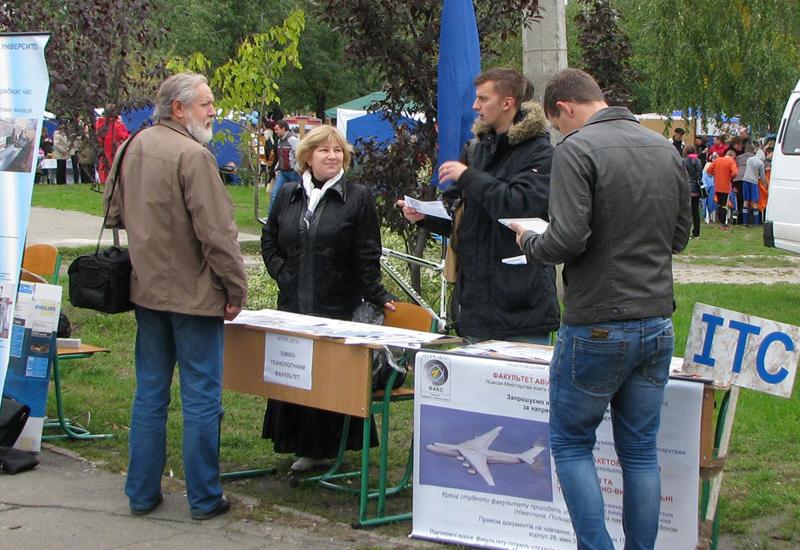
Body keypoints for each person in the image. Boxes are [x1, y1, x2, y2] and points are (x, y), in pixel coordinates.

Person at [510, 68, 690, 550]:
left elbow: (568, 238)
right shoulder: (665, 148)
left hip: (597, 324)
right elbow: (679, 238)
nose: (558, 134)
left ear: (565, 109)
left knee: (571, 445)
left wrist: (530, 240)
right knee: (639, 453)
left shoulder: (577, 148)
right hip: (655, 320)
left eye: (556, 125)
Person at [105, 73, 247, 520]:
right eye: (205, 104)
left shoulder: (133, 145)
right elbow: (218, 234)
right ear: (179, 108)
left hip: (148, 289)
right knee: (201, 397)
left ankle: (141, 493)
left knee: (150, 393)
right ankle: (204, 497)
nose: (212, 112)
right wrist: (236, 288)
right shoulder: (193, 155)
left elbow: (113, 211)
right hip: (193, 294)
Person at [261, 125, 396, 472]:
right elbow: (270, 239)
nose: (333, 157)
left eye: (338, 151)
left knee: (327, 378)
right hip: (293, 306)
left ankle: (326, 450)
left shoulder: (358, 198)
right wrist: (282, 272)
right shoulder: (289, 194)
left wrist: (377, 294)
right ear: (307, 157)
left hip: (336, 306)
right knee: (295, 374)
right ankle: (301, 446)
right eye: (324, 151)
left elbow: (368, 252)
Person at [398, 67, 559, 343]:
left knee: (515, 386)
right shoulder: (475, 149)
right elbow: (465, 219)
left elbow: (518, 206)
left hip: (520, 309)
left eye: (483, 99)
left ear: (507, 103)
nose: (475, 106)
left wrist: (469, 177)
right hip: (474, 308)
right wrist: (424, 216)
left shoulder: (540, 152)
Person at [270, 119, 300, 213]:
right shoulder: (279, 141)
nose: (276, 132)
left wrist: (297, 168)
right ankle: (271, 217)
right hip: (283, 172)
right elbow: (280, 156)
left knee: (295, 195)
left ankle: (295, 214)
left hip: (293, 173)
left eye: (277, 129)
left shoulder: (293, 140)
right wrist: (277, 168)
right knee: (274, 193)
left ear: (283, 129)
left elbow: (299, 155)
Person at [96, 107, 130, 184]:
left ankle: (104, 179)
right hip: (114, 146)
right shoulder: (117, 124)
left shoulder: (100, 123)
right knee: (115, 163)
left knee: (104, 163)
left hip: (105, 147)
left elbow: (99, 136)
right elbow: (123, 135)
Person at [709, 149, 738, 229]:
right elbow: (735, 172)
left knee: (719, 204)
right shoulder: (731, 161)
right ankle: (723, 223)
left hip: (717, 185)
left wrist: (715, 174)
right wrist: (730, 177)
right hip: (725, 186)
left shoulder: (717, 160)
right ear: (732, 156)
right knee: (724, 204)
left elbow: (709, 170)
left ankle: (720, 221)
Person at [741, 143, 766, 226]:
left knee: (746, 201)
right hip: (754, 183)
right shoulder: (761, 163)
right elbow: (762, 177)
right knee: (754, 202)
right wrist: (765, 184)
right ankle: (755, 223)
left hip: (745, 181)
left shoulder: (749, 159)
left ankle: (745, 222)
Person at [684, 144, 704, 238]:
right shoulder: (698, 161)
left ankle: (686, 232)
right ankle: (697, 232)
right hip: (697, 187)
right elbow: (700, 174)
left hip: (688, 187)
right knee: (696, 211)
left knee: (687, 212)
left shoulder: (684, 161)